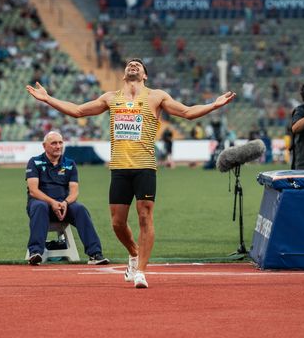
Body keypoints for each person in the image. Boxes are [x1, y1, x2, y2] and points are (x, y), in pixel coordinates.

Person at [26, 58, 236, 288]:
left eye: (138, 65)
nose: (133, 65)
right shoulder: (110, 98)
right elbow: (78, 111)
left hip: (144, 166)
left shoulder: (157, 96)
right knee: (117, 223)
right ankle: (134, 253)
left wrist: (213, 106)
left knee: (145, 216)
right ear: (124, 75)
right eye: (129, 64)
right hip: (119, 168)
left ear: (145, 75)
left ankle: (141, 272)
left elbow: (187, 112)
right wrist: (48, 99)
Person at [26, 131, 109, 266]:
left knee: (80, 209)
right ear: (44, 145)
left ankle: (95, 254)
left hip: (64, 205)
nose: (58, 146)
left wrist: (65, 203)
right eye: (54, 143)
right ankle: (35, 253)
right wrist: (52, 202)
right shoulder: (34, 162)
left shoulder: (69, 163)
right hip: (41, 205)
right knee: (40, 206)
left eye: (60, 143)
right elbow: (33, 191)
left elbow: (74, 192)